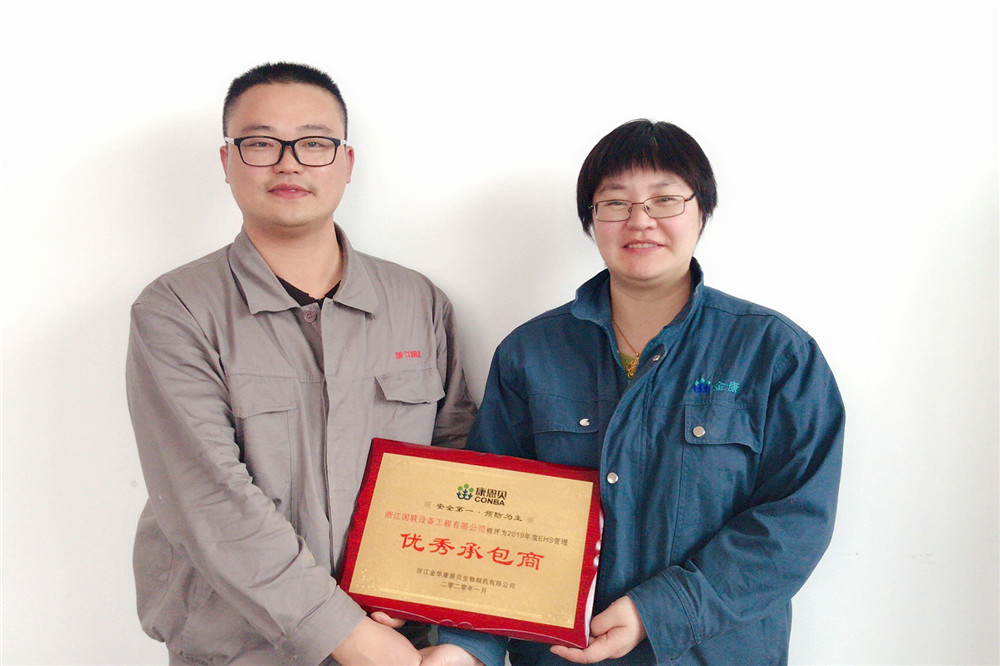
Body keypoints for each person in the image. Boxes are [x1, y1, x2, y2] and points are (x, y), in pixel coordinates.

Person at [423, 120, 845, 665]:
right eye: (615, 203)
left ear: (701, 211)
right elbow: (489, 510)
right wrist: (466, 647)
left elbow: (796, 522)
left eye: (664, 199)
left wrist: (658, 611)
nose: (640, 220)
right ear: (591, 220)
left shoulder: (775, 353)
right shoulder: (531, 353)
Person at [126, 62, 477, 665]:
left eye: (314, 143)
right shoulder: (177, 309)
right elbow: (207, 498)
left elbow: (456, 463)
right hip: (240, 647)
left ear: (346, 161)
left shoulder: (418, 303)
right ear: (227, 161)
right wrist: (349, 636)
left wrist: (423, 603)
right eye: (261, 143)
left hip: (402, 635)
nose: (289, 163)